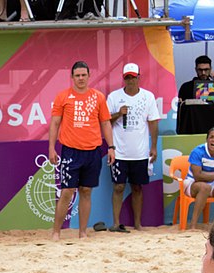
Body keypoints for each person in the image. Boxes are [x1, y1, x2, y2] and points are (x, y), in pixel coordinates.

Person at [48, 61, 114, 240]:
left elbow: (105, 123)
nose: (81, 78)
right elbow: (54, 123)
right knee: (67, 192)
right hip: (70, 151)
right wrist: (51, 148)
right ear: (72, 77)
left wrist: (111, 147)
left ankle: (82, 232)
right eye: (77, 75)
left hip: (92, 150)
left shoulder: (98, 97)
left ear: (89, 76)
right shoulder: (63, 97)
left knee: (86, 191)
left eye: (84, 75)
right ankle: (56, 232)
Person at [107, 63, 161, 232]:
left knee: (137, 187)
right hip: (119, 152)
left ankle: (137, 224)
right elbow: (105, 121)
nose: (130, 80)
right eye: (127, 77)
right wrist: (118, 114)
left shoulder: (148, 97)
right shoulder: (114, 97)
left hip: (140, 152)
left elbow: (153, 123)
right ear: (123, 79)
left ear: (139, 77)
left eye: (133, 77)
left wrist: (153, 146)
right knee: (118, 187)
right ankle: (116, 223)